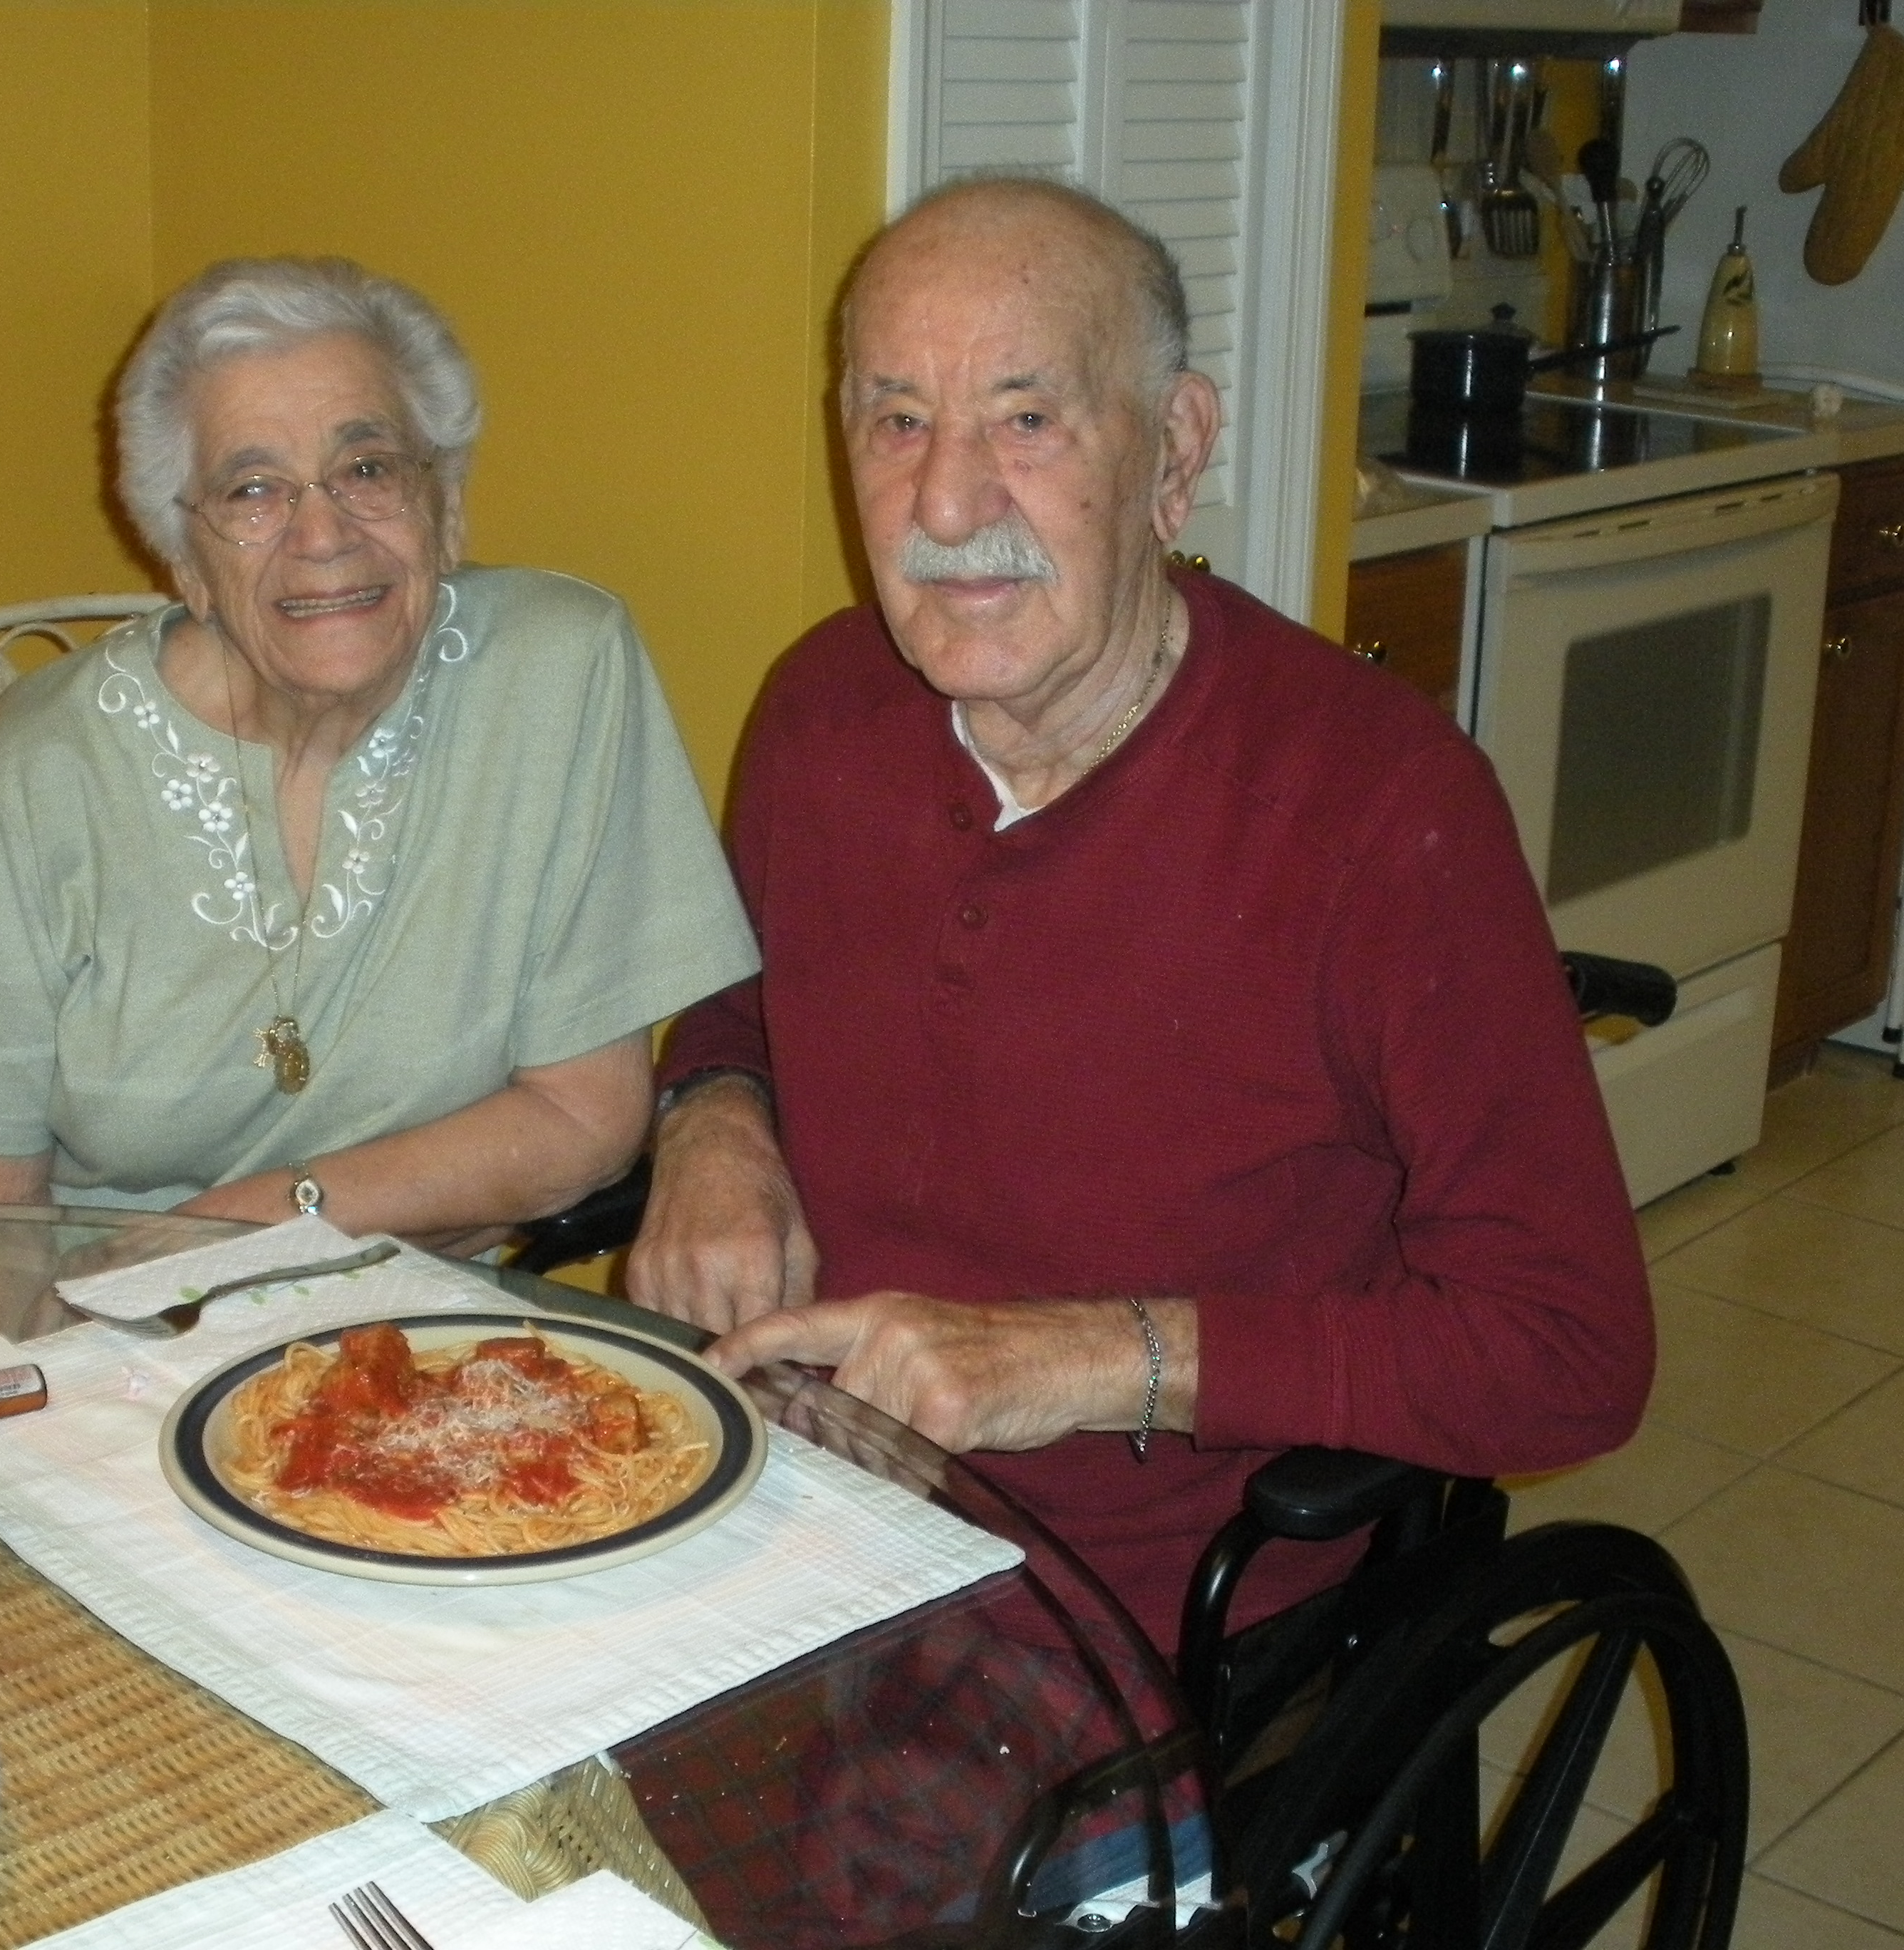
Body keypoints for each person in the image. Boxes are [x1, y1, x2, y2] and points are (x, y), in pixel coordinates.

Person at [629, 179, 1653, 1648]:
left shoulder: (1381, 812)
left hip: (1134, 1609)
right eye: (898, 420)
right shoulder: (821, 708)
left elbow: (1570, 1353)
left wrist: (1098, 1360)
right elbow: (747, 1005)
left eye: (1028, 419)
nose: (946, 505)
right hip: (801, 1508)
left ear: (1176, 451)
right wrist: (712, 1124)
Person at [0, 256, 757, 1252]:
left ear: (445, 506)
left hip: (387, 1312)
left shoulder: (557, 673)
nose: (322, 534)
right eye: (253, 489)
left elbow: (583, 1117)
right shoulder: (47, 762)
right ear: (184, 561)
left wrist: (242, 1228)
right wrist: (70, 1341)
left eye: (367, 469)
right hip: (85, 1302)